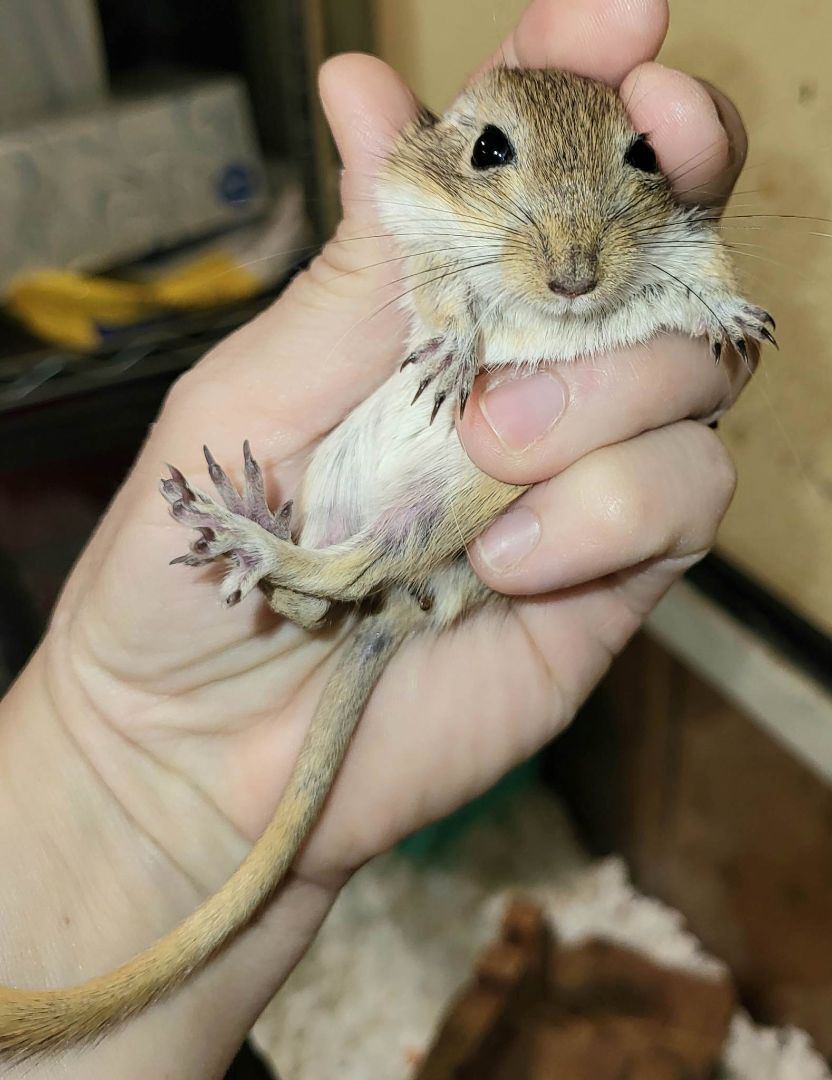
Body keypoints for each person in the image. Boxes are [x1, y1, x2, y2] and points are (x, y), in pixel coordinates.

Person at [0, 0, 752, 1074]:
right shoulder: (430, 212)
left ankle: (304, 571)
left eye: (636, 165)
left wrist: (719, 312)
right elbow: (421, 244)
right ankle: (302, 571)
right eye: (496, 155)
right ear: (457, 145)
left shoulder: (650, 238)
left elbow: (693, 270)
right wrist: (123, 759)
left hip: (427, 551)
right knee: (459, 492)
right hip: (364, 528)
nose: (572, 258)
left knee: (485, 498)